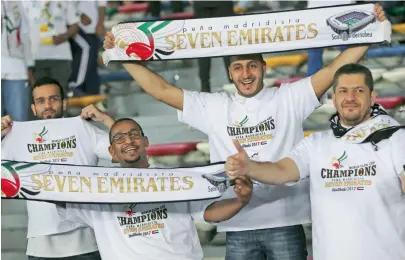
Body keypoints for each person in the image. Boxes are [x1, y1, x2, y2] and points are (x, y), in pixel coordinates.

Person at [103, 5, 387, 259]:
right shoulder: (213, 106)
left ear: (264, 67)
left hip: (284, 222)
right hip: (237, 221)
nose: (246, 73)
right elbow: (160, 90)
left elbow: (335, 69)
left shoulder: (289, 97)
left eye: (252, 65)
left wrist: (371, 28)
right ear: (229, 73)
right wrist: (120, 55)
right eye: (238, 67)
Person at [225, 63, 405, 260]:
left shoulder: (396, 139)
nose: (350, 98)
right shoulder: (316, 143)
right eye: (343, 91)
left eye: (359, 90)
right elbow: (282, 170)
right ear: (334, 98)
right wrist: (249, 167)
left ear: (372, 97)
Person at [55, 118, 253, 260]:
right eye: (120, 138)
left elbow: (209, 213)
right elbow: (58, 197)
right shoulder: (97, 188)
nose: (129, 141)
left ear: (145, 141)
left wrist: (240, 201)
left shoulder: (176, 180)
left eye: (134, 135)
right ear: (111, 151)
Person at [1, 77, 115, 260]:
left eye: (53, 99)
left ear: (64, 103)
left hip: (86, 242)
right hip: (40, 247)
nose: (47, 105)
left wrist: (106, 119)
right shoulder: (16, 136)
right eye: (40, 101)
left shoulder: (83, 128)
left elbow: (124, 151)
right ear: (33, 108)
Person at [23, 1, 80, 93]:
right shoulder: (25, 2)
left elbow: (75, 25)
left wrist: (65, 36)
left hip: (60, 57)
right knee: (39, 97)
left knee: (58, 96)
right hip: (35, 57)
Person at [1, 1, 34, 121]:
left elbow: (25, 34)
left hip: (17, 68)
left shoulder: (18, 3)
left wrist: (30, 65)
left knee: (18, 122)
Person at [68, 1, 106, 97]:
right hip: (74, 27)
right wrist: (79, 15)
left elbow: (102, 3)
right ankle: (74, 87)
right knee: (81, 58)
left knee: (91, 68)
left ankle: (91, 99)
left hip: (90, 27)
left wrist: (100, 23)